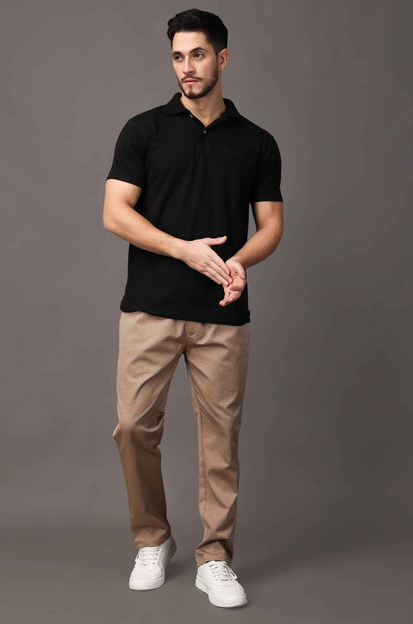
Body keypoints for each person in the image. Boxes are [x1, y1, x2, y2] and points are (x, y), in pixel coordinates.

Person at [103, 8, 284, 609]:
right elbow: (115, 214)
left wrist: (238, 264)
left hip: (223, 315)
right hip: (149, 308)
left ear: (222, 58)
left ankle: (215, 557)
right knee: (133, 427)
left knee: (220, 441)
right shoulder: (144, 131)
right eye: (178, 56)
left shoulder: (257, 142)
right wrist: (184, 250)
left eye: (198, 55)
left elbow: (271, 226)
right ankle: (152, 539)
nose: (187, 67)